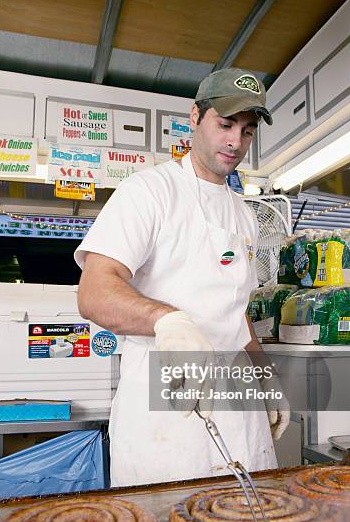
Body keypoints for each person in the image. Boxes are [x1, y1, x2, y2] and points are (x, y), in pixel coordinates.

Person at [75, 68, 290, 487]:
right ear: (195, 117)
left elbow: (236, 312)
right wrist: (167, 320)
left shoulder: (245, 214)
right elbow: (95, 290)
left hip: (237, 400)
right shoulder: (149, 192)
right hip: (165, 405)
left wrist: (264, 376)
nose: (235, 142)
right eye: (225, 124)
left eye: (247, 131)